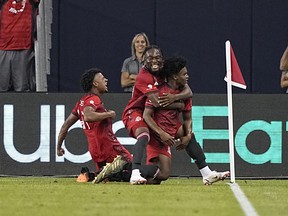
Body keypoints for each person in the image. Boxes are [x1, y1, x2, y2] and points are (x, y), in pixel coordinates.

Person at [57, 68, 158, 184]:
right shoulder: (93, 99)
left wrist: (58, 146)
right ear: (95, 84)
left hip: (95, 151)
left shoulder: (81, 102)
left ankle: (93, 175)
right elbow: (88, 116)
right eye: (102, 78)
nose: (106, 80)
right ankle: (108, 174)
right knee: (154, 171)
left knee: (144, 176)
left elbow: (65, 125)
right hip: (110, 149)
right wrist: (109, 114)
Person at [143, 56, 230, 185]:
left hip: (172, 129)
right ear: (174, 76)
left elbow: (188, 118)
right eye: (184, 74)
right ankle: (127, 171)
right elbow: (146, 115)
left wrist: (188, 135)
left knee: (188, 135)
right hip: (156, 136)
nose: (187, 76)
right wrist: (161, 133)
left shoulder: (184, 93)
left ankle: (206, 173)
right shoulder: (159, 91)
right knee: (162, 175)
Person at [122, 45, 193, 184]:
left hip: (153, 113)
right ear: (143, 60)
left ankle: (206, 171)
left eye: (158, 57)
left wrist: (173, 98)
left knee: (161, 175)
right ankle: (134, 172)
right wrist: (180, 104)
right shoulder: (143, 77)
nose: (154, 61)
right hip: (135, 111)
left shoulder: (163, 70)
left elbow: (188, 91)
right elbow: (157, 102)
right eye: (150, 58)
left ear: (162, 59)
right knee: (144, 134)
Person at [0, 0, 39, 92]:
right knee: (1, 87)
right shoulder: (3, 2)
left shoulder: (31, 3)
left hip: (23, 48)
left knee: (21, 88)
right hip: (2, 48)